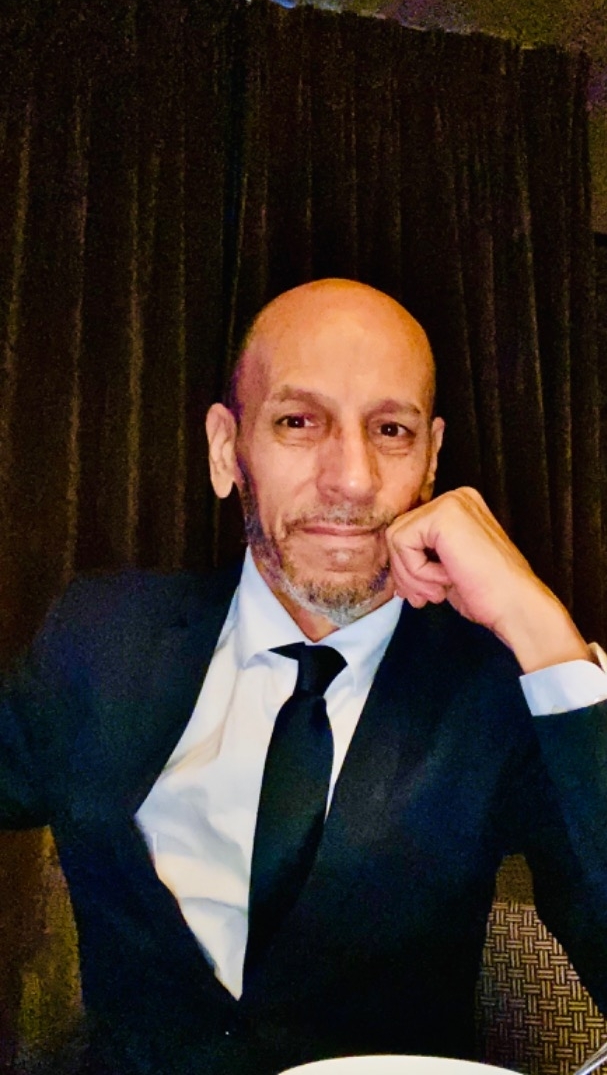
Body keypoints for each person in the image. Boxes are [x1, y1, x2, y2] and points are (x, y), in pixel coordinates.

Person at [2, 277, 607, 1075]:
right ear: (227, 448)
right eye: (297, 421)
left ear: (430, 457)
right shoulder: (99, 637)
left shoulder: (498, 686)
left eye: (389, 430)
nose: (351, 479)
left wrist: (543, 631)